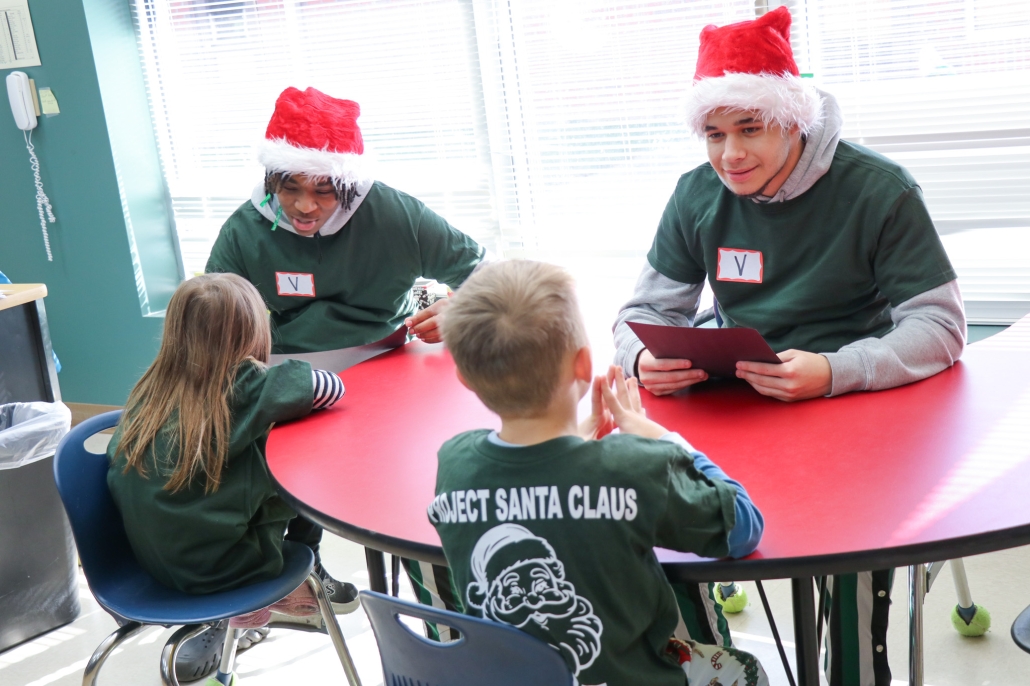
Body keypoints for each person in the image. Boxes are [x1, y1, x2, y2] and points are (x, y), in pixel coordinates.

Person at [613, 8, 965, 686]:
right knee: (645, 522)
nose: (730, 155)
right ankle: (719, 669)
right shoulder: (694, 195)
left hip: (858, 410)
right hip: (737, 410)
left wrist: (836, 370)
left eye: (750, 129)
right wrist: (640, 357)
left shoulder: (878, 190)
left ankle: (856, 672)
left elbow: (941, 325)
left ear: (794, 119)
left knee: (850, 556)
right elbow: (641, 312)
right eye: (713, 134)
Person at [204, 86, 486, 650]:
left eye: (324, 191)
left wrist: (460, 305)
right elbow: (212, 318)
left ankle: (438, 607)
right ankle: (259, 586)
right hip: (280, 374)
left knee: (402, 484)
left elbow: (482, 269)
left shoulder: (395, 214)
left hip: (383, 369)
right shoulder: (245, 229)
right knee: (248, 471)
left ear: (350, 185)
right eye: (292, 188)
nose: (305, 206)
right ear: (272, 179)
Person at [429, 260, 768, 686]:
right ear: (583, 365)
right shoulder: (634, 466)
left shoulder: (454, 463)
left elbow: (529, 489)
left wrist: (578, 442)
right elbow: (743, 526)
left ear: (464, 378)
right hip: (637, 677)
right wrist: (662, 438)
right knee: (746, 670)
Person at [106, 273, 348, 680]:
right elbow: (330, 388)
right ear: (255, 330)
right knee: (300, 463)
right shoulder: (248, 385)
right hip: (225, 573)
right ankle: (291, 579)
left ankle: (264, 599)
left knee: (238, 470)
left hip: (147, 564)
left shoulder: (152, 387)